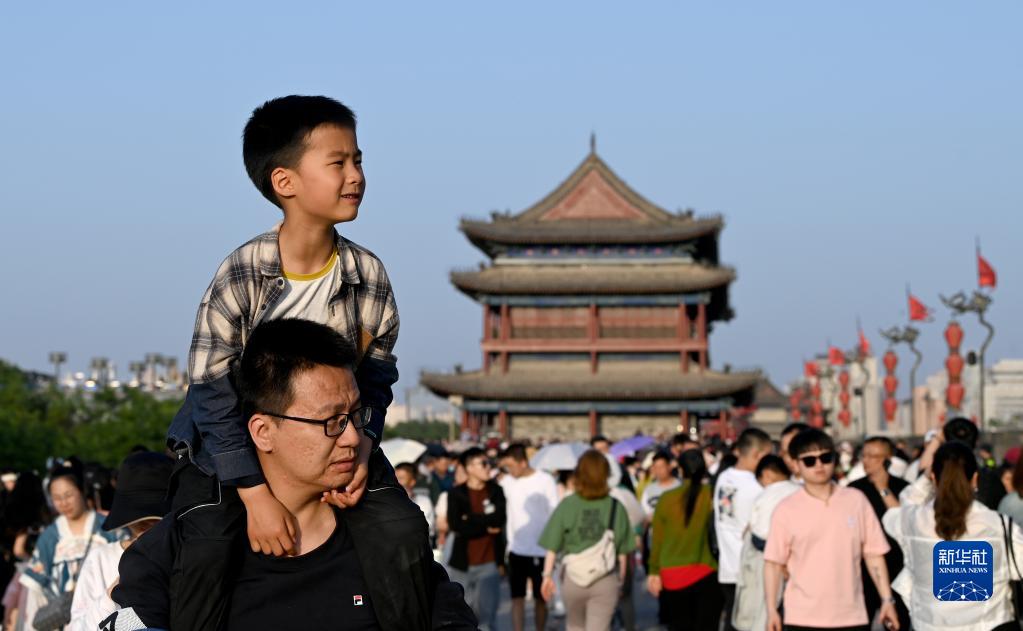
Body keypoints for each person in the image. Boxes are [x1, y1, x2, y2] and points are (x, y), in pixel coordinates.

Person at [117, 95, 416, 631]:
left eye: (358, 160)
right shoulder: (242, 272)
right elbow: (211, 391)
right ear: (285, 181)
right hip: (225, 446)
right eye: (338, 162)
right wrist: (253, 494)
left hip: (335, 438)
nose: (356, 175)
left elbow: (375, 380)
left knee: (401, 529)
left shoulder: (368, 275)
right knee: (206, 545)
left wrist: (363, 449)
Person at [109, 319, 475, 631]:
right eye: (331, 421)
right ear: (263, 431)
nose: (352, 438)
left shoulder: (390, 542)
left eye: (355, 416)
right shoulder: (191, 542)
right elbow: (130, 617)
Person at [764, 428, 899, 631]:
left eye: (825, 458)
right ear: (796, 465)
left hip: (851, 616)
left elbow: (874, 555)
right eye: (810, 460)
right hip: (801, 617)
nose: (819, 465)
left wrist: (887, 600)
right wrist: (771, 610)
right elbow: (774, 564)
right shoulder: (786, 509)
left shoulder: (856, 500)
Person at [884, 440, 1023, 631]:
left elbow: (905, 502)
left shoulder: (913, 521)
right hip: (990, 625)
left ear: (933, 478)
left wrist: (925, 480)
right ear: (975, 479)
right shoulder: (999, 525)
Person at [69, 451, 173, 631]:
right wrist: (110, 596)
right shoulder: (100, 559)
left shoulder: (185, 557)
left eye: (156, 520)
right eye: (140, 521)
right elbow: (77, 627)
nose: (147, 525)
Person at [539, 450, 635, 631]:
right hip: (605, 577)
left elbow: (552, 546)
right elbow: (623, 552)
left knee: (575, 625)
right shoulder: (616, 506)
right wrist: (621, 581)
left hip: (573, 577)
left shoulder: (568, 504)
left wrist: (547, 576)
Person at [19, 468, 119, 629]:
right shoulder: (49, 537)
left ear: (82, 490)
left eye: (68, 495)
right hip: (63, 622)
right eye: (57, 498)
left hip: (104, 618)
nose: (64, 503)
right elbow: (36, 591)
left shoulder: (108, 529)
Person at [647, 449, 723, 631]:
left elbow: (657, 540)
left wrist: (654, 571)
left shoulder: (666, 499)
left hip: (672, 573)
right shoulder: (712, 495)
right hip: (707, 570)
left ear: (680, 470)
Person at [846, 437, 911, 630]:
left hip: (897, 567)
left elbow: (904, 523)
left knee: (898, 623)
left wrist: (883, 488)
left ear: (888, 460)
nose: (866, 461)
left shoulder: (903, 488)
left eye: (873, 456)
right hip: (862, 570)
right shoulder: (854, 490)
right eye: (864, 455)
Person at [731, 454, 798, 631]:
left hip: (769, 566)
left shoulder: (766, 496)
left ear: (767, 474)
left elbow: (759, 536)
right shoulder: (801, 491)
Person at [713, 428, 771, 631]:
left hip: (728, 568)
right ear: (757, 455)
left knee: (732, 620)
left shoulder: (723, 478)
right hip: (751, 569)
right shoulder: (757, 486)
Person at [497, 444, 559, 631]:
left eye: (511, 466)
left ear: (523, 462)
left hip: (541, 550)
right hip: (516, 549)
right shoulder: (507, 482)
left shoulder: (545, 480)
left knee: (541, 599)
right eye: (506, 467)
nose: (509, 470)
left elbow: (554, 513)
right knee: (517, 598)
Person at [447, 447, 506, 631]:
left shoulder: (496, 491)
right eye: (484, 463)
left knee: (487, 619)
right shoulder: (456, 493)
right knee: (462, 617)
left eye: (489, 463)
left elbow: (499, 519)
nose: (489, 467)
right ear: (469, 468)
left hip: (489, 562)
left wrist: (470, 519)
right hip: (461, 564)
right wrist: (486, 526)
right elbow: (456, 525)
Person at [396, 462, 436, 540]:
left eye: (401, 478)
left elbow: (425, 528)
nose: (396, 482)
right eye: (394, 478)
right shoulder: (385, 501)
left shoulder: (424, 502)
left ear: (412, 482)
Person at [998, 450, 1023, 524]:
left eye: (1009, 479)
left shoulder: (1010, 502)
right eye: (1006, 479)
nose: (1006, 483)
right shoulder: (1009, 502)